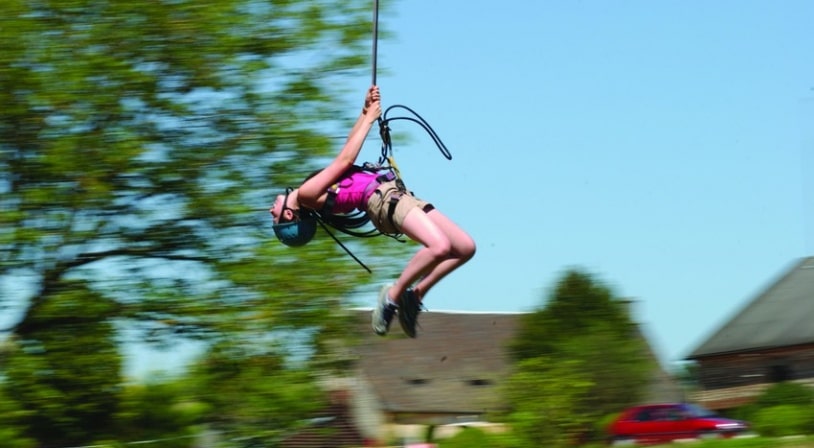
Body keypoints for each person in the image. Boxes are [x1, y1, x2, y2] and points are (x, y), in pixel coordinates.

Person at [269, 85, 475, 338]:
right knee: (440, 247)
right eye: (273, 214)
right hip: (383, 200)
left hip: (396, 194)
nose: (271, 209)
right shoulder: (307, 195)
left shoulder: (313, 195)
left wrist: (365, 110)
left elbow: (345, 150)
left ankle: (415, 295)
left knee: (465, 247)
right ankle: (392, 296)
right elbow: (344, 160)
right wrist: (368, 119)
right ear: (289, 215)